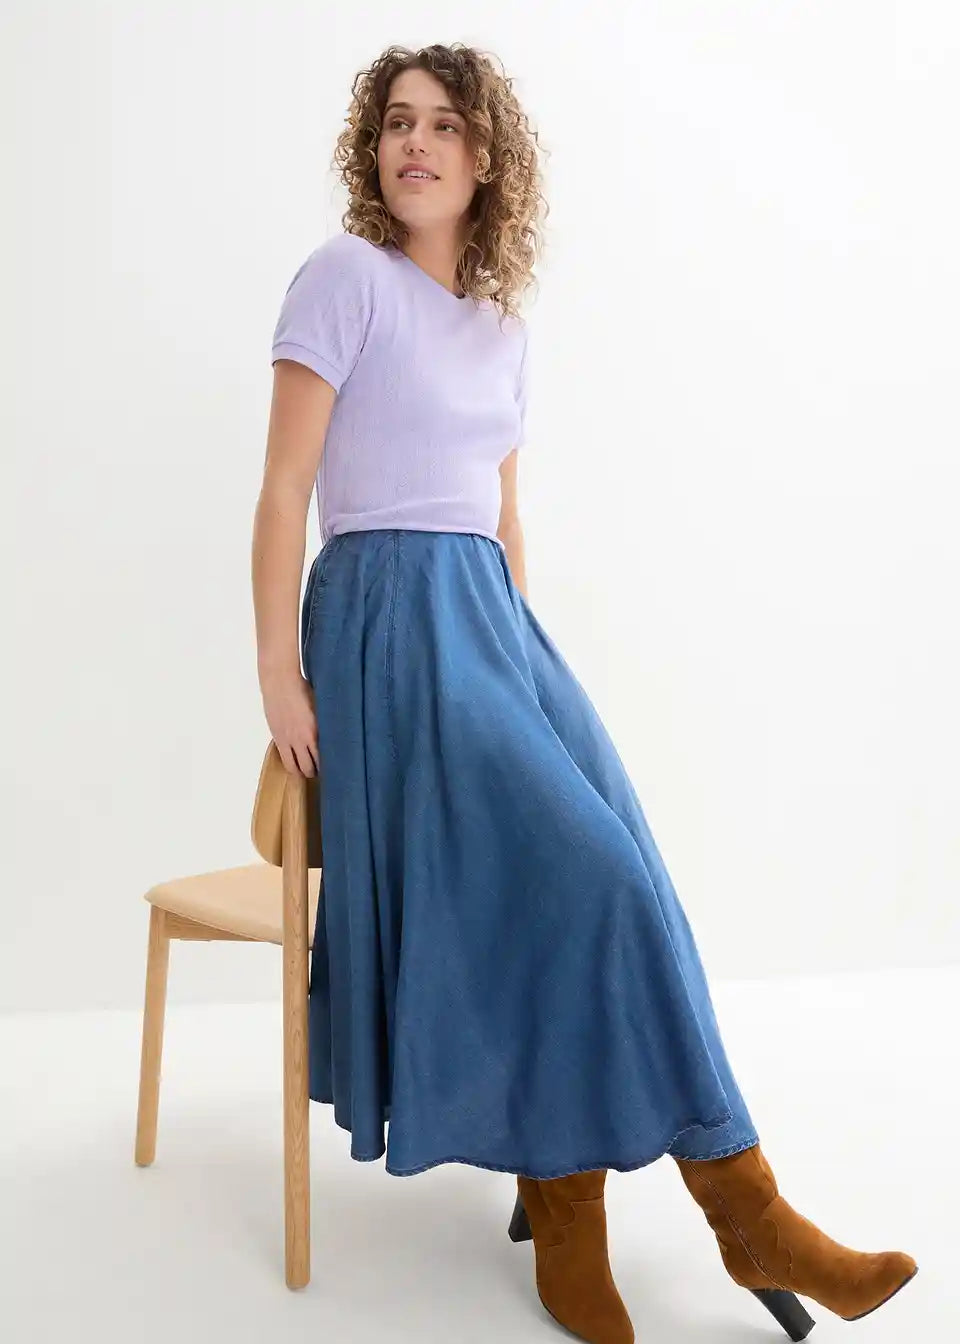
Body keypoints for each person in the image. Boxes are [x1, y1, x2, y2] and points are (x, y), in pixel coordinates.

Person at [252, 41, 917, 1344]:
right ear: (372, 149)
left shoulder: (502, 330)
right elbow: (284, 491)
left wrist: (519, 662)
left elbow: (503, 516)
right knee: (589, 880)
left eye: (446, 125)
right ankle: (593, 1213)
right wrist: (280, 671)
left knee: (632, 878)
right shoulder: (343, 279)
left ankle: (741, 1206)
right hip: (387, 624)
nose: (417, 143)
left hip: (493, 625)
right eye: (397, 123)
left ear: (486, 160)